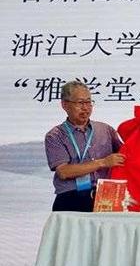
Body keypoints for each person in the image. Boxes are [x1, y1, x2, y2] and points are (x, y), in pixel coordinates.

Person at [45, 81, 125, 212]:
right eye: (80, 103)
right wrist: (103, 162)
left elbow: (125, 156)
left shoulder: (105, 130)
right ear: (65, 105)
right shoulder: (55, 136)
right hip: (71, 198)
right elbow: (63, 172)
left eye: (89, 102)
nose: (86, 108)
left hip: (106, 196)